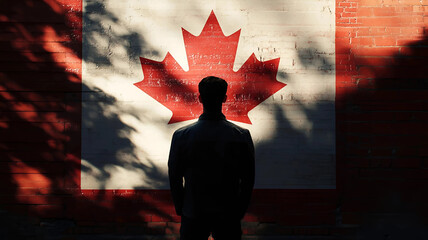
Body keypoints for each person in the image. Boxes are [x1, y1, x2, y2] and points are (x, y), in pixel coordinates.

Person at [168, 76, 255, 240]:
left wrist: (181, 207)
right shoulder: (241, 135)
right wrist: (239, 211)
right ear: (224, 98)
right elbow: (248, 179)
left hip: (193, 210)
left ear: (200, 98)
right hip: (228, 211)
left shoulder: (181, 136)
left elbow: (175, 176)